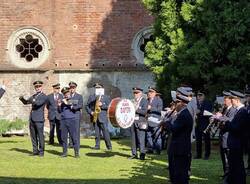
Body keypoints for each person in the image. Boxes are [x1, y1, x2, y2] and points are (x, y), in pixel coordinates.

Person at [218, 90, 248, 184]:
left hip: (237, 144)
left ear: (237, 100)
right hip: (234, 143)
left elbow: (236, 128)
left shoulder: (242, 111)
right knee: (234, 165)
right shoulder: (240, 111)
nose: (231, 101)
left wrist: (226, 121)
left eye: (232, 99)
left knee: (238, 166)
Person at [162, 94, 193, 184]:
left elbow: (174, 129)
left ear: (182, 103)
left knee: (180, 174)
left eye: (177, 103)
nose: (175, 106)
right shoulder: (183, 113)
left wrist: (166, 123)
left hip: (181, 148)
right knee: (177, 172)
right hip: (179, 147)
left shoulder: (184, 115)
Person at [19, 81, 47, 157]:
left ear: (41, 87)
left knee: (40, 136)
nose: (37, 88)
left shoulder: (44, 96)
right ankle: (35, 151)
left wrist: (33, 100)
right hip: (32, 118)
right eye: (36, 87)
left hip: (39, 119)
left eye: (39, 86)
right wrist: (22, 98)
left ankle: (41, 152)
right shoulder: (34, 96)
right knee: (33, 136)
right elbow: (26, 102)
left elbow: (37, 104)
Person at [215, 91, 236, 179]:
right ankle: (225, 173)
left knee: (227, 158)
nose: (224, 102)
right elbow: (222, 121)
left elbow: (229, 122)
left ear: (230, 100)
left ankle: (228, 175)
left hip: (227, 137)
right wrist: (216, 119)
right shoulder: (226, 109)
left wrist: (220, 118)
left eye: (226, 100)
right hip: (223, 136)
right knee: (224, 157)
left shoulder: (233, 110)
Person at [85, 83, 112, 150]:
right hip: (95, 117)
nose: (97, 89)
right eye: (96, 88)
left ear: (102, 88)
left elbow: (109, 107)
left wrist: (102, 105)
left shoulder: (106, 97)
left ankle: (109, 146)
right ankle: (97, 146)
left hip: (103, 117)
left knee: (105, 132)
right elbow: (86, 106)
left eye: (99, 88)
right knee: (97, 133)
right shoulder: (92, 97)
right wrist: (91, 112)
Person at [58, 87, 79, 158]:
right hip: (63, 120)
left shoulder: (73, 100)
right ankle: (64, 152)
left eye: (67, 93)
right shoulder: (63, 101)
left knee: (73, 137)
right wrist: (59, 106)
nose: (66, 94)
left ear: (69, 92)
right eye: (64, 93)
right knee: (64, 137)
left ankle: (76, 153)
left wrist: (66, 102)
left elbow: (75, 108)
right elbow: (60, 111)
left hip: (71, 120)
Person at [129, 87, 148, 160]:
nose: (135, 94)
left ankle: (142, 155)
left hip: (141, 122)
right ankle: (134, 154)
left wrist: (136, 110)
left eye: (137, 93)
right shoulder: (132, 101)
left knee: (141, 139)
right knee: (133, 140)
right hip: (132, 122)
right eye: (134, 93)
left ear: (141, 93)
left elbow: (144, 112)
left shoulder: (144, 101)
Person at [195, 91, 213, 160]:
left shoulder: (207, 102)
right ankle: (198, 154)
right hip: (197, 123)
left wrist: (200, 112)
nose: (199, 97)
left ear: (204, 96)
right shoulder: (196, 103)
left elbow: (209, 112)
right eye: (198, 95)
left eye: (200, 95)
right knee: (198, 139)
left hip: (205, 123)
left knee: (206, 140)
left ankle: (207, 155)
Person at [146, 86, 163, 154]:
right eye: (149, 92)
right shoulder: (147, 100)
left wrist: (151, 108)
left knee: (157, 136)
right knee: (148, 135)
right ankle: (150, 149)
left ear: (155, 93)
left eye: (151, 92)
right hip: (148, 121)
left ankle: (158, 150)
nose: (149, 93)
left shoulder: (159, 100)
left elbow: (159, 110)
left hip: (155, 120)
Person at [68, 81, 83, 149]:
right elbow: (65, 103)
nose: (72, 89)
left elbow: (80, 105)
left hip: (76, 115)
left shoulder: (79, 96)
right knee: (70, 130)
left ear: (75, 88)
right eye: (71, 88)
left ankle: (77, 144)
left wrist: (72, 106)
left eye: (73, 87)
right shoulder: (67, 96)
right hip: (69, 115)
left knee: (76, 130)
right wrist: (74, 102)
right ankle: (71, 144)